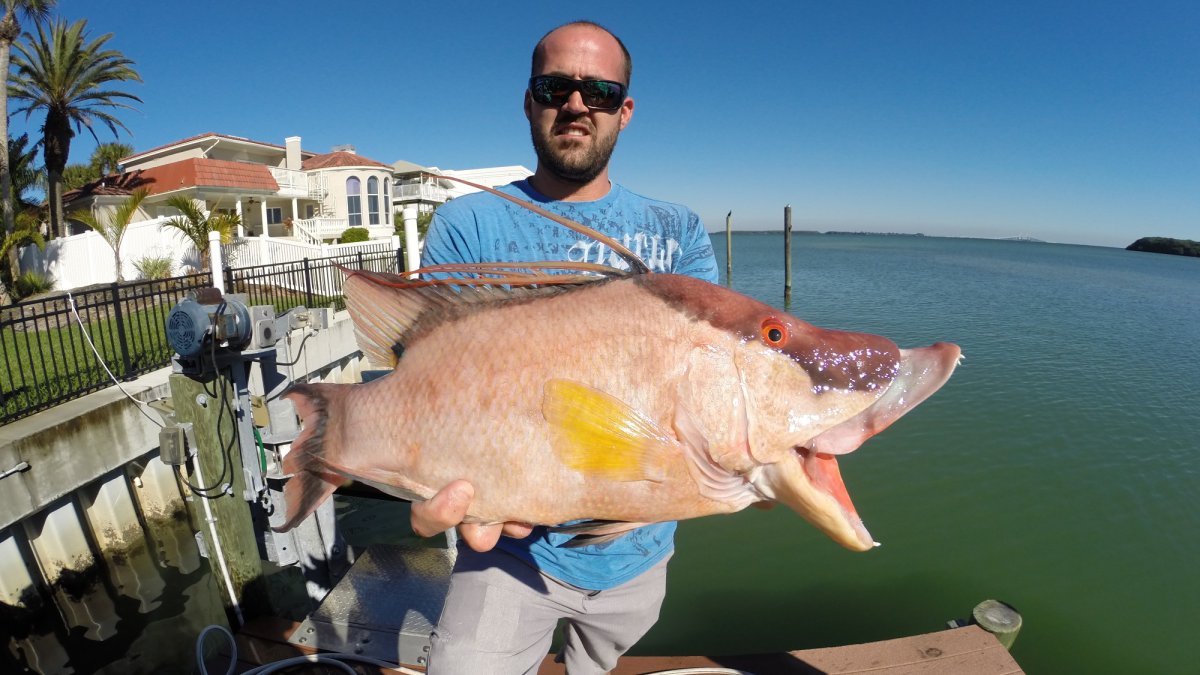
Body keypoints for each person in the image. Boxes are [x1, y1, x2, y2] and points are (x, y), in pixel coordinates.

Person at [413, 20, 719, 674]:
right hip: (508, 553)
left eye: (601, 91)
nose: (577, 105)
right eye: (557, 87)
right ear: (529, 100)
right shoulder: (467, 226)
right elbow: (433, 376)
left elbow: (702, 384)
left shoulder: (680, 231)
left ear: (625, 110)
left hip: (639, 553)